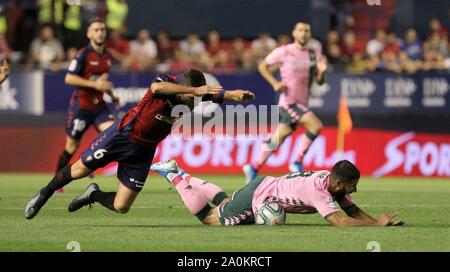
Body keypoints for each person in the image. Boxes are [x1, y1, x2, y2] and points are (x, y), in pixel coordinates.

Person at [24, 69, 255, 220]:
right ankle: (43, 195)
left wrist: (239, 95)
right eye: (192, 97)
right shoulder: (166, 83)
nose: (194, 101)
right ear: (185, 87)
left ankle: (93, 195)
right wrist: (195, 91)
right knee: (79, 170)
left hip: (144, 151)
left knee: (122, 206)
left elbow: (224, 95)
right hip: (122, 135)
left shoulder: (196, 95)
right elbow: (156, 88)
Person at [150, 159, 405, 227]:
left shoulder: (332, 185)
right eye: (352, 186)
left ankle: (183, 174)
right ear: (339, 184)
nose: (354, 190)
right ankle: (173, 175)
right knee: (210, 217)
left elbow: (351, 210)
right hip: (258, 195)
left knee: (225, 203)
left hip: (264, 187)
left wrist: (378, 223)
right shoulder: (318, 191)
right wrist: (375, 228)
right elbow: (340, 222)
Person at [243, 21, 327, 183]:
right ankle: (297, 162)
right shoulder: (285, 51)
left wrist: (322, 73)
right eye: (300, 30)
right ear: (294, 33)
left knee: (277, 139)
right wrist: (275, 83)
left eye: (306, 31)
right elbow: (263, 66)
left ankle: (253, 166)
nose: (303, 33)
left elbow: (320, 81)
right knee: (316, 125)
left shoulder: (313, 53)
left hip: (302, 102)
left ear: (309, 34)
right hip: (289, 102)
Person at [53, 18, 119, 193]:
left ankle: (90, 161)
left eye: (102, 29)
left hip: (98, 104)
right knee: (71, 146)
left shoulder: (107, 56)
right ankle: (56, 180)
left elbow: (102, 82)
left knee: (113, 132)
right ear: (89, 33)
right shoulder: (83, 54)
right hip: (81, 106)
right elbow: (69, 78)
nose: (100, 33)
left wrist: (113, 95)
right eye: (96, 30)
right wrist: (94, 85)